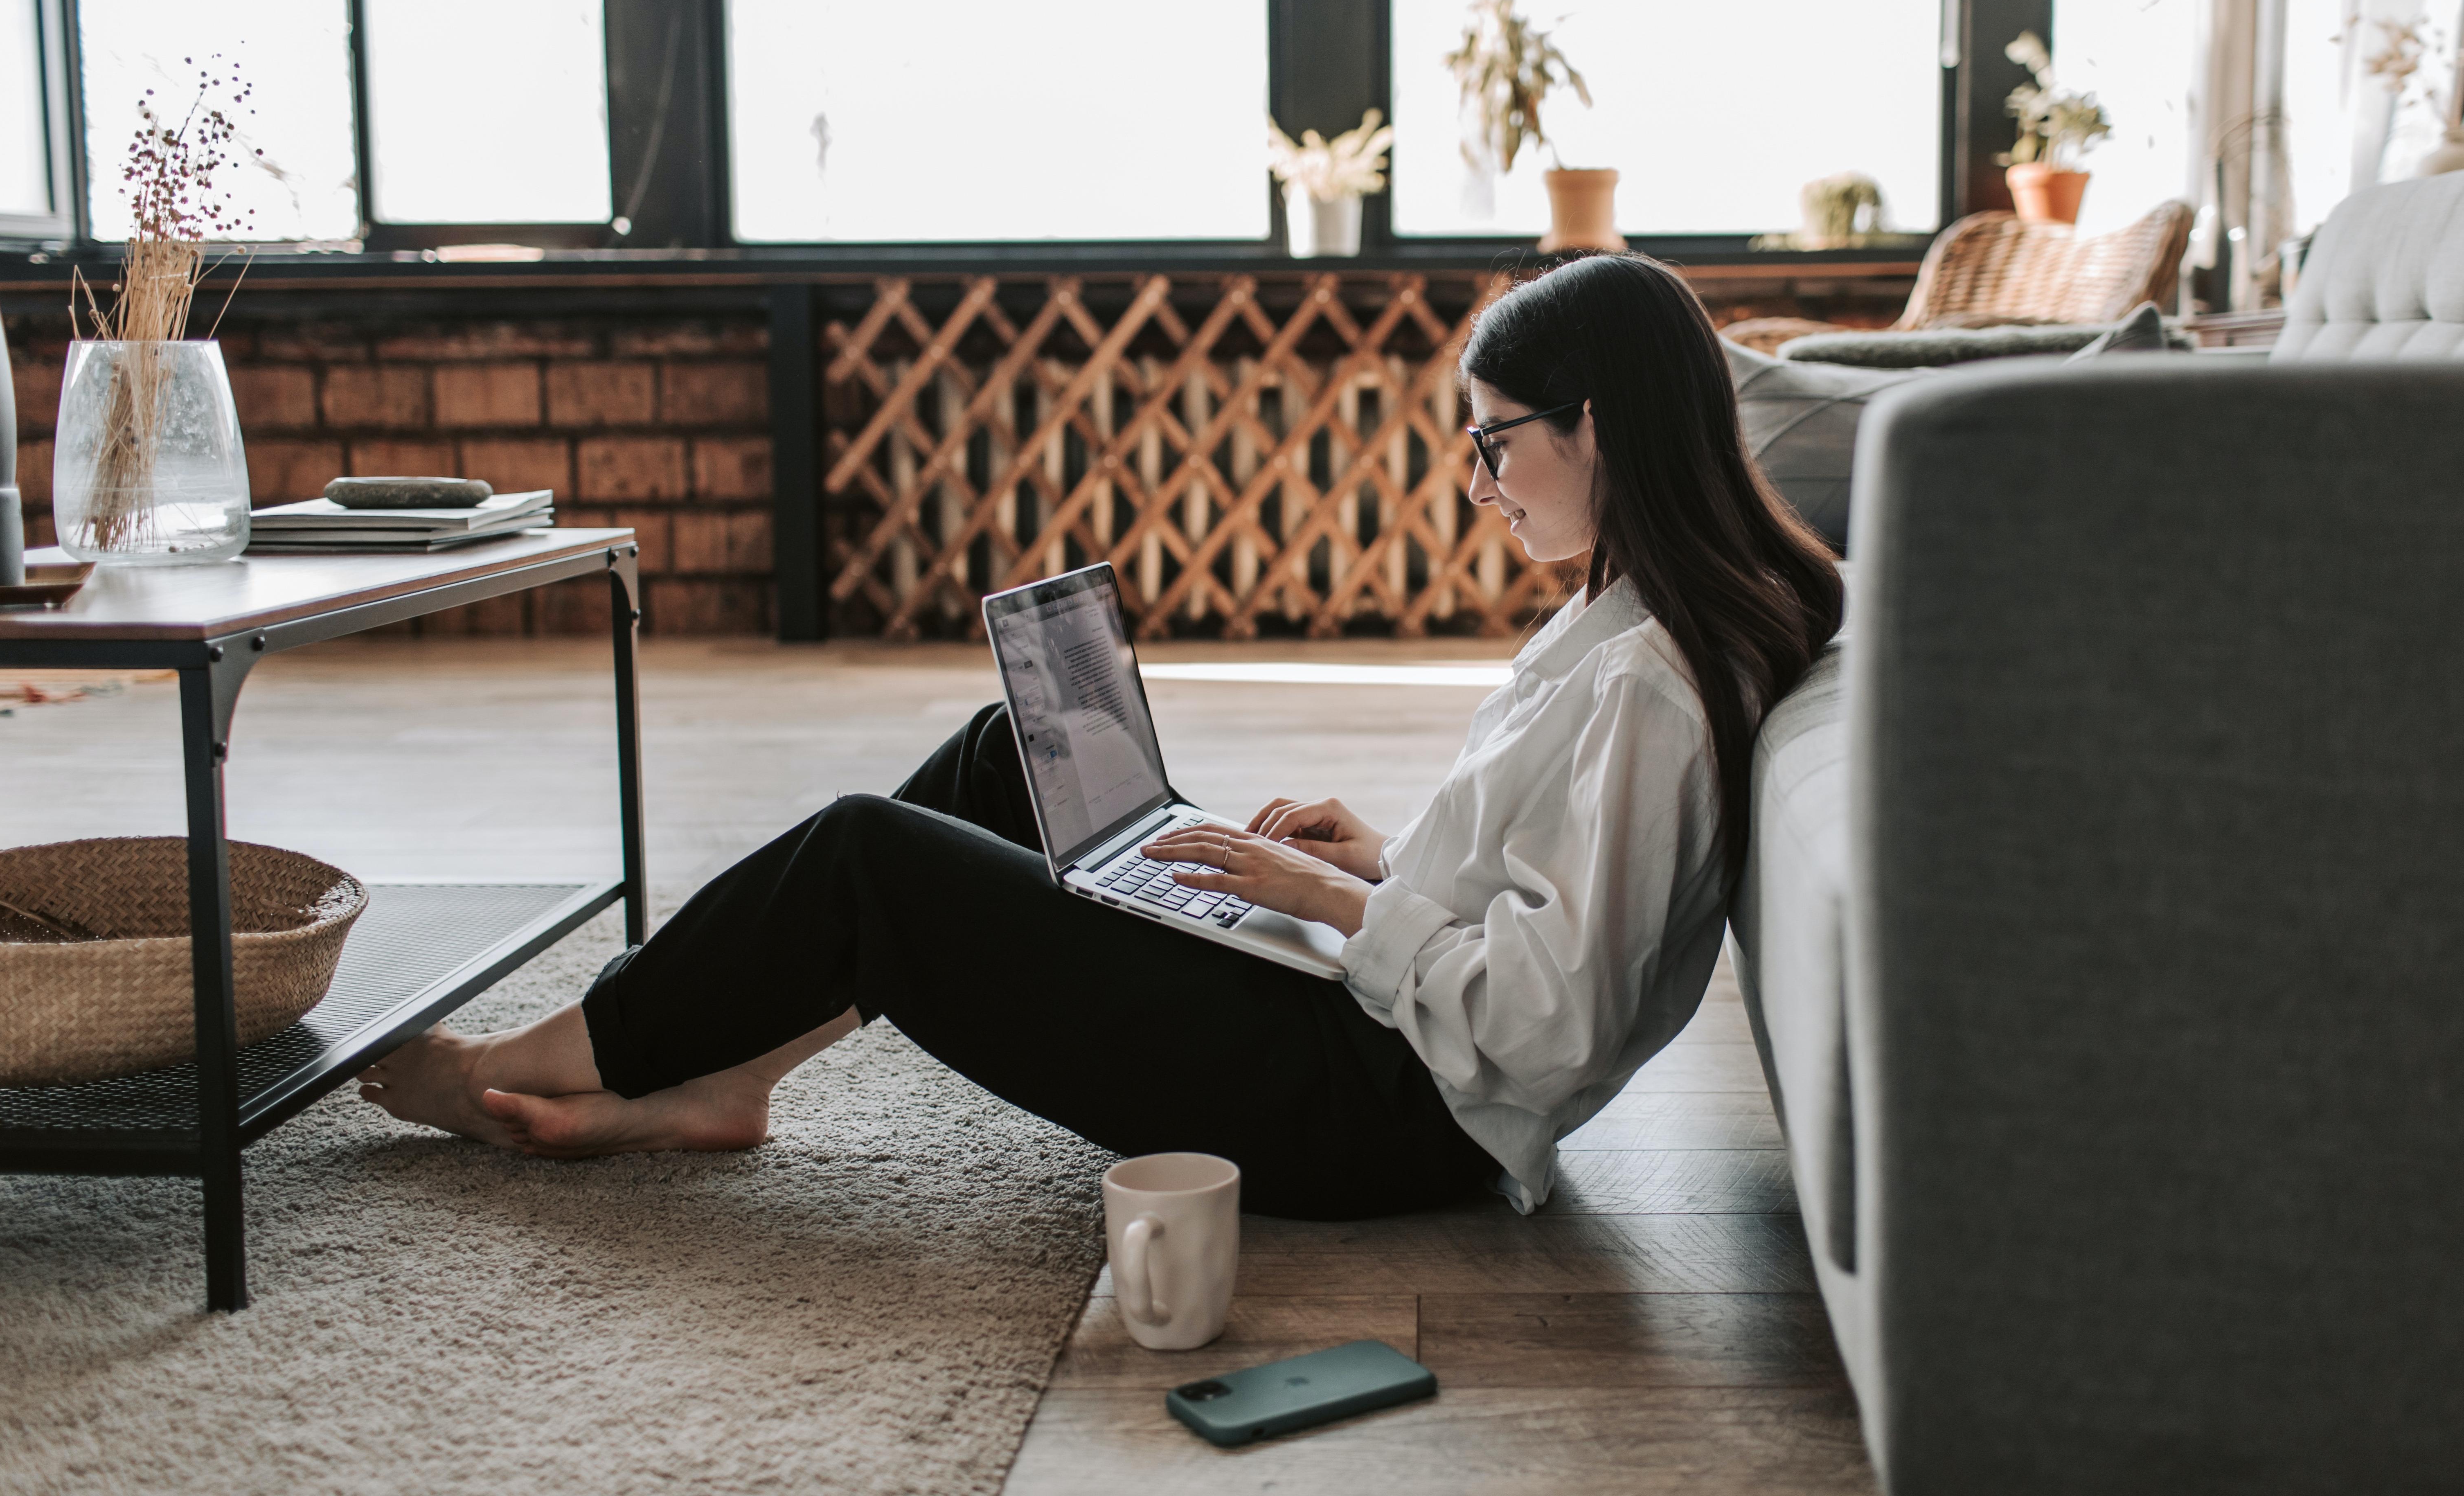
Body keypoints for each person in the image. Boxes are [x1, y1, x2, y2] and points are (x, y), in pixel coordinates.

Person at [357, 253, 1843, 1220]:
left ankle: (542, 1057)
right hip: (1380, 1026)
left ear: (1598, 425)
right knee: (1015, 751)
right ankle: (731, 1073)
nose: (1477, 480)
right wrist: (1378, 856)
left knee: (866, 856)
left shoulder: (1648, 677)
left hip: (1393, 1116)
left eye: (1492, 441)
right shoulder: (1629, 621)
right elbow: (1547, 902)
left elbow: (1548, 1025)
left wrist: (1338, 906)